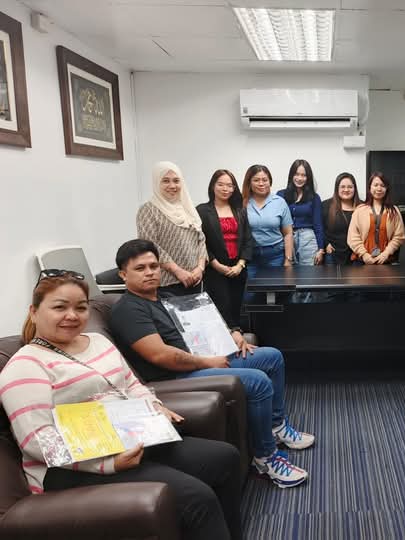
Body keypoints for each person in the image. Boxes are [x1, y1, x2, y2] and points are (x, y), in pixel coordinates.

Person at [0, 270, 243, 539]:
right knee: (196, 497)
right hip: (71, 467)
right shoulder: (25, 366)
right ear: (34, 312)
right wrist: (108, 464)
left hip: (130, 437)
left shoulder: (98, 342)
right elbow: (38, 442)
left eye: (80, 307)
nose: (72, 315)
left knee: (225, 457)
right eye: (59, 307)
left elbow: (131, 384)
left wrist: (154, 407)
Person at [109, 239, 313, 488]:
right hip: (174, 376)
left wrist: (233, 333)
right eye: (140, 268)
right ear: (123, 274)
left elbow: (205, 322)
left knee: (271, 357)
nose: (150, 272)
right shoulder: (128, 310)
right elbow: (160, 356)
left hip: (202, 359)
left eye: (153, 266)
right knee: (257, 381)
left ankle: (276, 426)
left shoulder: (166, 297)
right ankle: (265, 458)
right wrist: (207, 362)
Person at [136, 161, 206, 296]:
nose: (172, 186)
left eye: (176, 181)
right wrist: (178, 271)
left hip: (195, 279)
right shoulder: (148, 210)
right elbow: (149, 246)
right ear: (157, 182)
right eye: (165, 181)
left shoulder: (188, 208)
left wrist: (200, 268)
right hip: (167, 283)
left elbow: (201, 239)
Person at [196, 169, 253, 329]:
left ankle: (237, 337)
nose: (225, 189)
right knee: (220, 309)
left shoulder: (240, 210)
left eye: (229, 185)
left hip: (238, 269)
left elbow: (248, 239)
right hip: (214, 269)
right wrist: (216, 265)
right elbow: (200, 242)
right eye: (221, 184)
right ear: (213, 186)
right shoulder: (202, 211)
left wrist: (240, 265)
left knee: (236, 308)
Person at [241, 165, 294, 285]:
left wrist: (288, 260)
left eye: (264, 180)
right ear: (249, 182)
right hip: (250, 257)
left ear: (270, 181)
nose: (261, 183)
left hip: (275, 256)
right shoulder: (242, 203)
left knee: (274, 291)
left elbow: (288, 233)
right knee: (250, 293)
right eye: (256, 180)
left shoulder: (279, 202)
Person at [347, 171, 405, 264]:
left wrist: (386, 253)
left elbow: (399, 236)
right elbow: (352, 237)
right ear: (370, 187)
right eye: (375, 185)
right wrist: (364, 254)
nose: (379, 188)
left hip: (386, 261)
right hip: (362, 261)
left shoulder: (394, 211)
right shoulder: (360, 210)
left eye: (382, 185)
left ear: (386, 188)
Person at [277, 159, 325, 266]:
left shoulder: (314, 197)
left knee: (308, 273)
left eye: (303, 175)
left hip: (308, 238)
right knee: (288, 272)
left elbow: (318, 225)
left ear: (308, 178)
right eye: (297, 174)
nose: (299, 178)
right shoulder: (281, 195)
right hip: (287, 238)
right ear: (291, 175)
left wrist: (321, 249)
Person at [322, 172, 360, 265]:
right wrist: (326, 244)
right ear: (337, 188)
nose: (346, 190)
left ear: (354, 189)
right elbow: (319, 228)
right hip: (332, 255)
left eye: (350, 187)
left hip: (356, 256)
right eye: (342, 187)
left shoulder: (362, 207)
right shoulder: (326, 205)